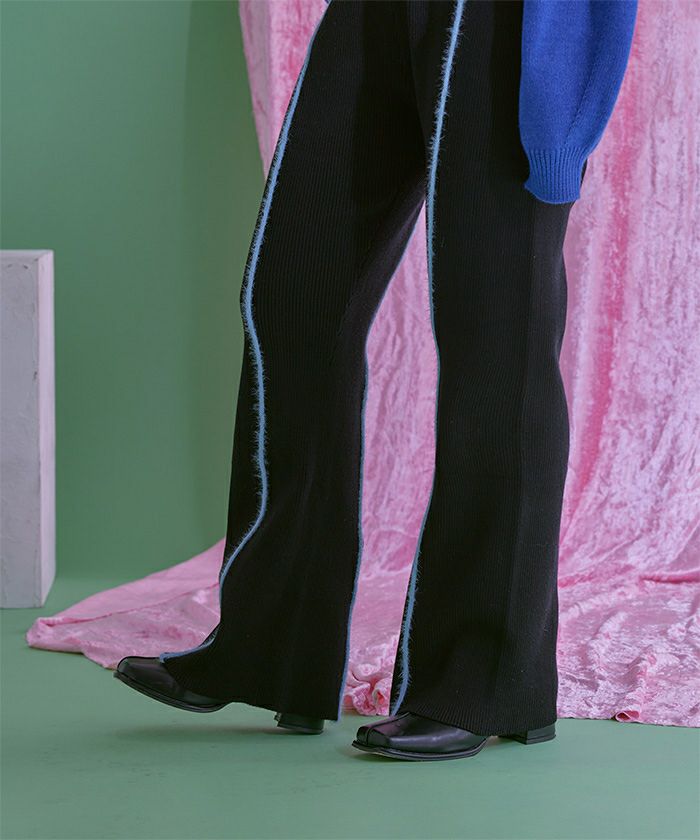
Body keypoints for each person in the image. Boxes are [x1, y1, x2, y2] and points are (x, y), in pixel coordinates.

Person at [114, 0, 638, 761]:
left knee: (496, 338)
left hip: (515, 21)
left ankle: (485, 678)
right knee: (293, 296)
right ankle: (271, 649)